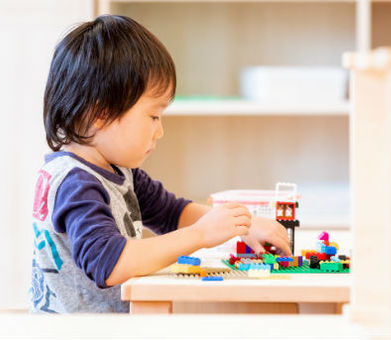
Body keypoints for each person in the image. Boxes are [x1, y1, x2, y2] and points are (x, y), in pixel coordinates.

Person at [30, 15, 291, 313]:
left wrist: (239, 226)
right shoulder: (75, 182)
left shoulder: (117, 171)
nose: (160, 130)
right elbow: (110, 263)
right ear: (99, 113)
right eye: (153, 116)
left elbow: (172, 213)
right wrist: (201, 235)